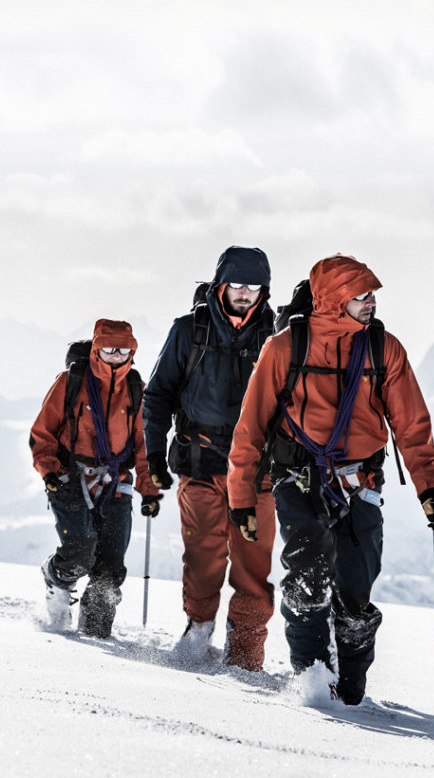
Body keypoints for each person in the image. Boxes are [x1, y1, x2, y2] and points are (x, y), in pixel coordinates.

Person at [227, 254, 434, 704]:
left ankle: (350, 692)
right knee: (308, 573)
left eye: (372, 295)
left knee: (355, 593)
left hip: (362, 480)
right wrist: (241, 497)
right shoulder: (284, 348)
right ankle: (312, 680)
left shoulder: (384, 348)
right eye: (360, 295)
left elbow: (410, 423)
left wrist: (430, 486)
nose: (371, 303)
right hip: (299, 477)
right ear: (333, 300)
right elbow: (250, 426)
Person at [143, 246, 276, 671]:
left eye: (254, 286)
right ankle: (198, 628)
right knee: (203, 556)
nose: (245, 293)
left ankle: (247, 654)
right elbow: (158, 395)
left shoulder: (277, 337)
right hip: (200, 461)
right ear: (221, 285)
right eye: (237, 284)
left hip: (258, 471)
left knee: (254, 566)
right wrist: (152, 455)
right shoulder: (188, 331)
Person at [30, 319, 161, 637]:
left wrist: (149, 487)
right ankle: (55, 577)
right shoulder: (70, 382)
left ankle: (96, 636)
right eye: (107, 349)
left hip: (115, 484)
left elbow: (146, 445)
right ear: (96, 350)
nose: (115, 355)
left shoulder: (136, 389)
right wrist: (49, 470)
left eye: (122, 350)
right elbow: (42, 432)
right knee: (79, 551)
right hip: (69, 479)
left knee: (110, 569)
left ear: (131, 352)